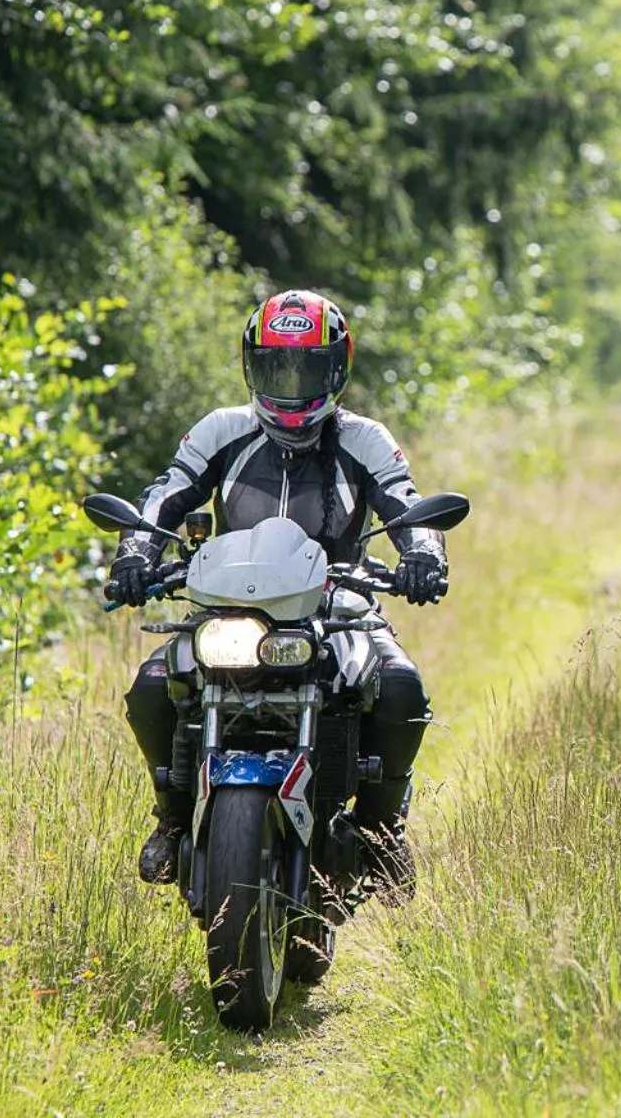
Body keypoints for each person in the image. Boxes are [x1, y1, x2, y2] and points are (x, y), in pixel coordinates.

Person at [104, 288, 450, 895]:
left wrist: (422, 552)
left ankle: (382, 831)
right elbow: (166, 494)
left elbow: (408, 502)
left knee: (401, 688)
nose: (291, 384)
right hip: (229, 607)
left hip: (338, 607)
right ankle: (172, 820)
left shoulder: (363, 438)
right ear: (250, 365)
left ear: (337, 368)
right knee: (152, 689)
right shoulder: (222, 431)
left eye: (308, 367)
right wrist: (136, 552)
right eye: (275, 366)